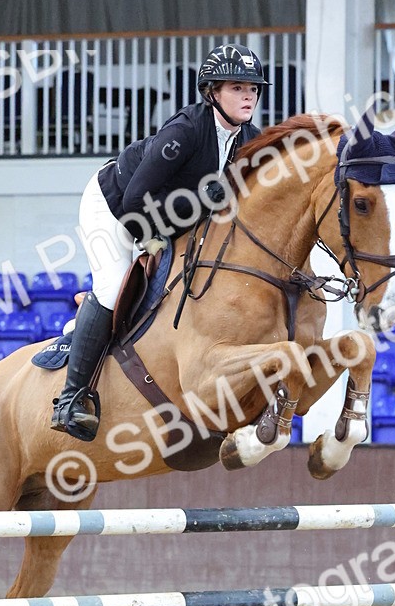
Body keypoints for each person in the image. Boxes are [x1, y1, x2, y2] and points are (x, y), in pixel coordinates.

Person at [51, 43, 267, 441]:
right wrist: (151, 239)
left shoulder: (248, 140)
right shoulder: (185, 130)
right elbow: (135, 198)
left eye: (253, 88)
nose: (249, 95)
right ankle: (71, 398)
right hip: (116, 206)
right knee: (115, 287)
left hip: (168, 217)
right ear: (212, 92)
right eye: (238, 87)